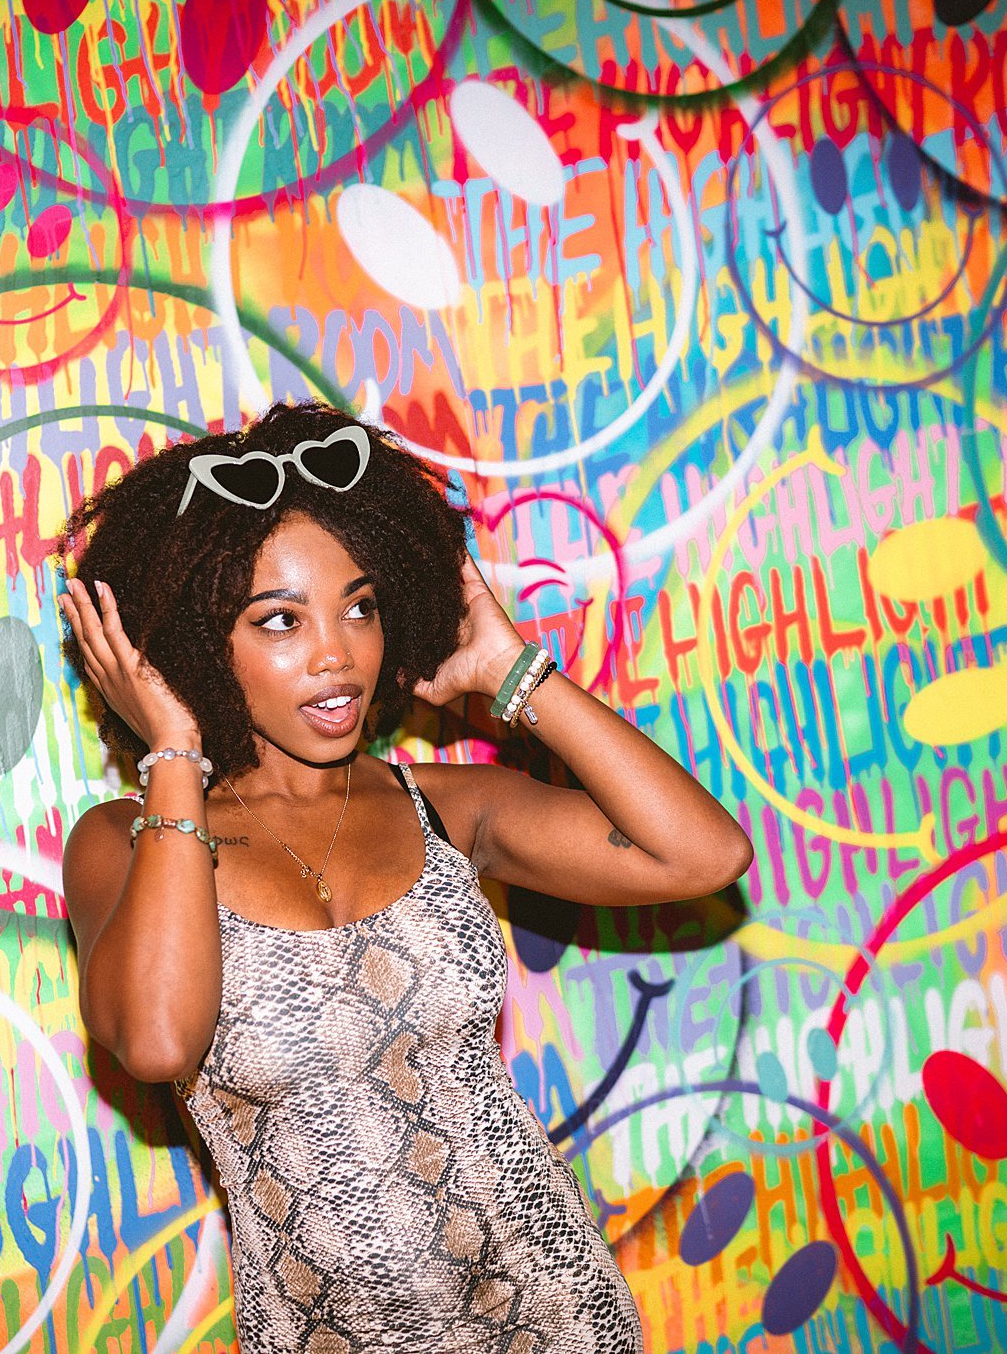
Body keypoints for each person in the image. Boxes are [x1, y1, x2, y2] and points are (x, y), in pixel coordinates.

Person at [56, 400, 753, 1353]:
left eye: (359, 605)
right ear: (188, 645)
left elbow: (705, 855)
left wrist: (514, 670)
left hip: (561, 1315)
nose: (337, 650)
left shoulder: (445, 807)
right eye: (279, 620)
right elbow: (159, 1037)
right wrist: (174, 744)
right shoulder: (127, 844)